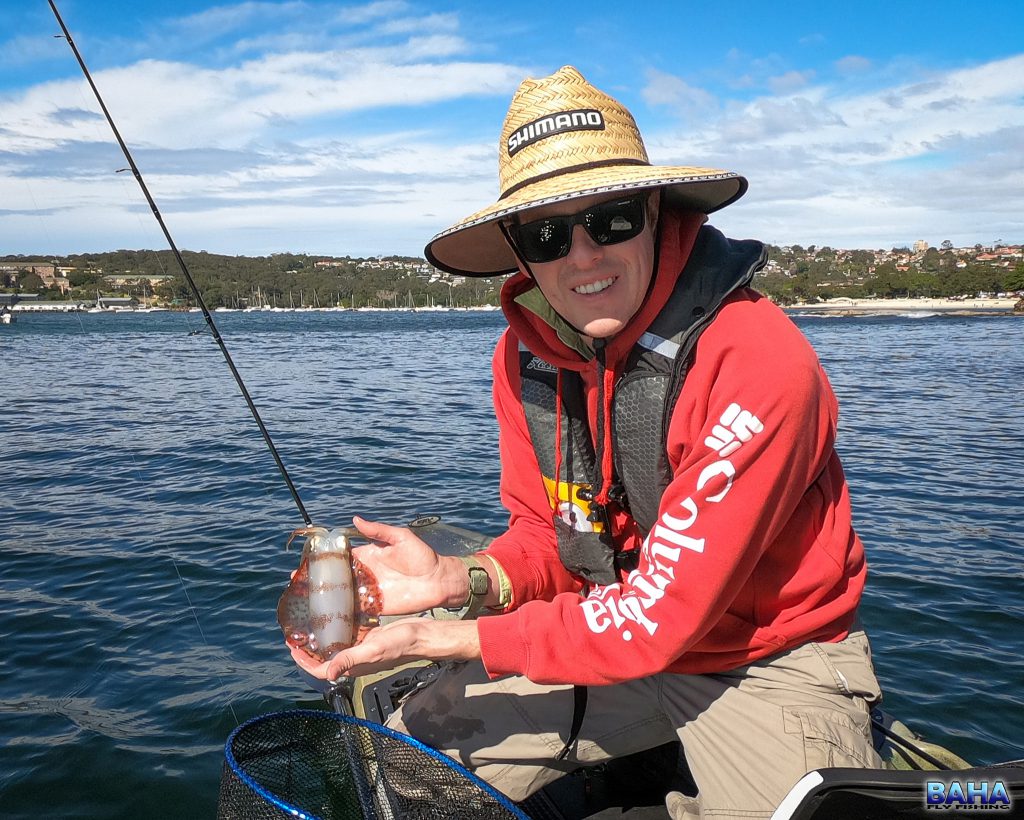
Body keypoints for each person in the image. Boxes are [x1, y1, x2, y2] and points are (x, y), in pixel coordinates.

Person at [290, 65, 884, 819]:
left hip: (762, 660)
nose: (581, 256)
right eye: (546, 234)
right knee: (410, 755)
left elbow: (658, 617)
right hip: (609, 634)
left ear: (658, 212)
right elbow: (551, 539)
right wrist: (455, 579)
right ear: (518, 250)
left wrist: (447, 640)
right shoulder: (523, 357)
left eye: (610, 219)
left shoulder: (757, 363)